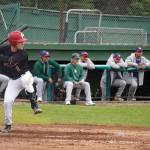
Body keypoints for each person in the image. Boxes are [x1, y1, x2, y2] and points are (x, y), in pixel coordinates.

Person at [1, 31, 42, 133]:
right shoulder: (4, 49)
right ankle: (8, 125)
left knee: (25, 79)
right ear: (14, 43)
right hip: (13, 80)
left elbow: (10, 61)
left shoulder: (23, 53)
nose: (23, 43)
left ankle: (34, 103)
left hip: (25, 76)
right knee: (7, 102)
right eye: (20, 41)